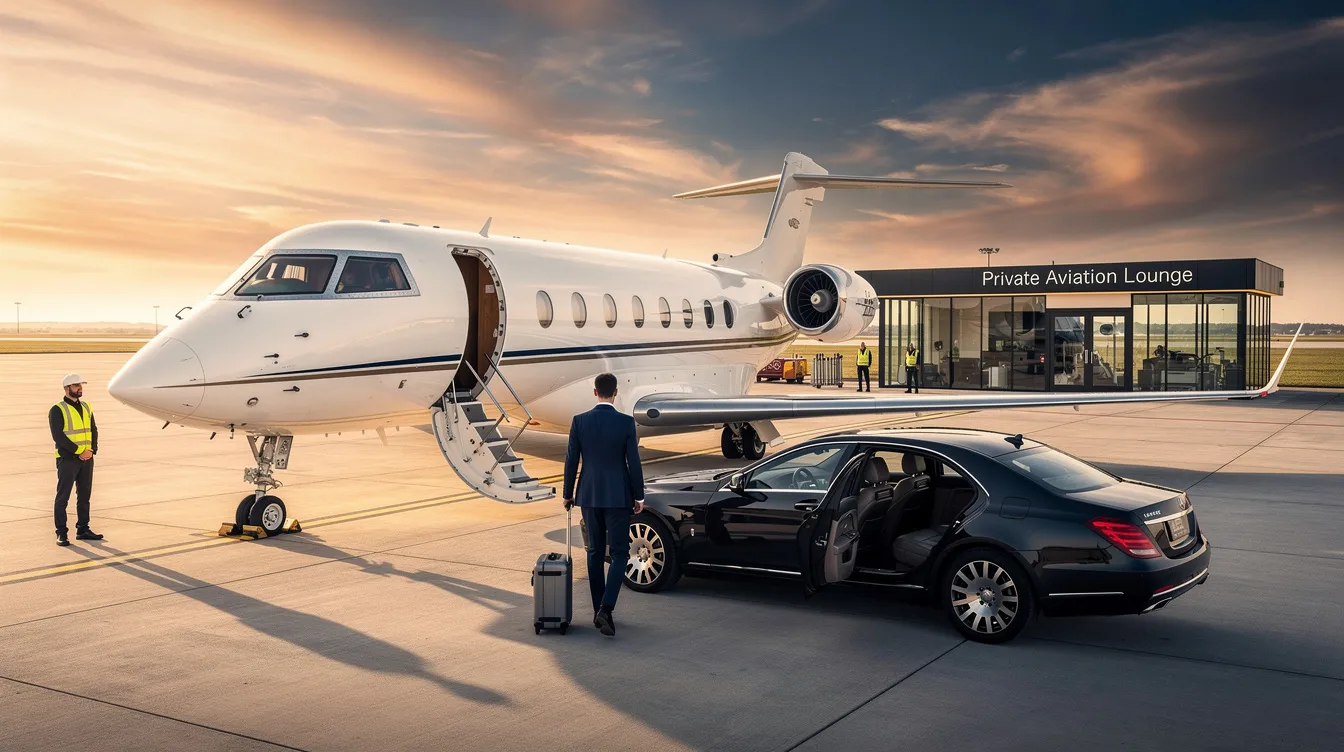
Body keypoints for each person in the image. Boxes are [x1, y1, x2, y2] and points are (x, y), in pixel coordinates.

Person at [562, 373, 644, 637]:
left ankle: (600, 608)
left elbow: (571, 460)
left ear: (595, 392)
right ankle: (606, 609)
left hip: (589, 495)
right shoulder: (626, 423)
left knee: (595, 552)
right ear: (615, 393)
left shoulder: (580, 421)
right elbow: (634, 462)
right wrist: (639, 496)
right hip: (618, 496)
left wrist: (568, 494)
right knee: (620, 553)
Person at [50, 374, 102, 546]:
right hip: (68, 459)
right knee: (63, 497)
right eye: (75, 385)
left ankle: (83, 528)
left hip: (86, 458)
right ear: (66, 388)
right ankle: (61, 533)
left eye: (80, 385)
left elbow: (93, 429)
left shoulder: (87, 407)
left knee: (84, 495)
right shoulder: (58, 409)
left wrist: (92, 450)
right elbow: (58, 437)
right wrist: (80, 451)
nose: (80, 388)